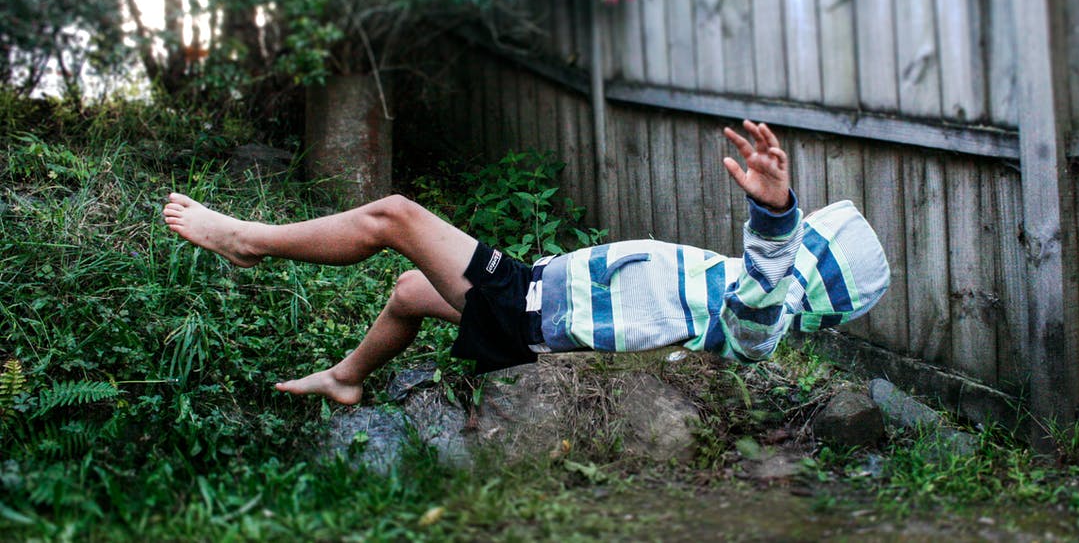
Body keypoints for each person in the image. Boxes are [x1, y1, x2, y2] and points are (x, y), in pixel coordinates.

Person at [162, 120, 889, 405]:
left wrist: (773, 219)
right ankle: (347, 378)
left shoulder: (759, 314)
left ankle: (248, 239)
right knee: (411, 289)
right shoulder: (728, 287)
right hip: (538, 301)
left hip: (533, 304)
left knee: (395, 215)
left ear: (807, 267)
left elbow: (762, 301)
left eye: (805, 242)